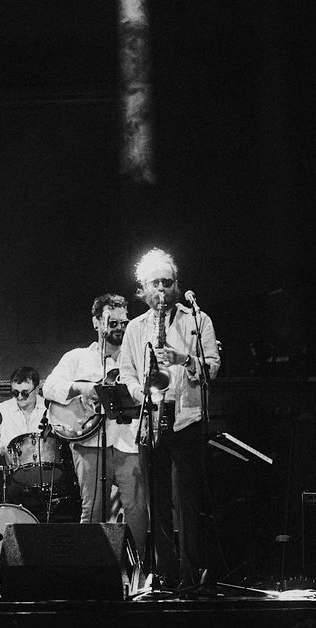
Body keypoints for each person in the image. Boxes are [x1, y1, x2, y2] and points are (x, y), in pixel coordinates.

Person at [118, 248, 219, 589]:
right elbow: (127, 372)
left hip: (186, 418)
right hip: (151, 416)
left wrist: (183, 359)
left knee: (187, 501)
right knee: (156, 503)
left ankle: (190, 575)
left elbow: (212, 367)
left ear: (176, 284)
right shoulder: (135, 328)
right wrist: (140, 392)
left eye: (167, 282)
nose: (161, 289)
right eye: (154, 283)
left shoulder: (198, 321)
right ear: (143, 289)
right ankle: (164, 572)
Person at [44, 293, 148, 556]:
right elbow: (50, 387)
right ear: (96, 323)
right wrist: (84, 389)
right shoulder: (77, 357)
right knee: (93, 510)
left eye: (124, 323)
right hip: (89, 442)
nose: (119, 328)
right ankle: (89, 568)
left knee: (137, 510)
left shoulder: (135, 359)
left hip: (128, 441)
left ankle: (137, 568)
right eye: (112, 323)